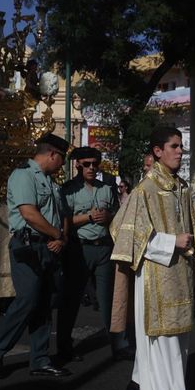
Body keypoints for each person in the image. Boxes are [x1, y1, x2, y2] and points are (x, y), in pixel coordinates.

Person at [110, 126, 195, 390]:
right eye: (174, 146)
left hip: (180, 273)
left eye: (181, 146)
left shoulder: (181, 187)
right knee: (166, 340)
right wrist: (171, 242)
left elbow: (191, 231)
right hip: (155, 275)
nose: (180, 151)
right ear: (157, 151)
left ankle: (138, 385)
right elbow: (127, 236)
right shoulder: (144, 190)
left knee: (170, 339)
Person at [0, 134, 72, 379]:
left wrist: (62, 238)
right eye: (62, 159)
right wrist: (57, 234)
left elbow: (64, 213)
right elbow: (29, 214)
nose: (62, 165)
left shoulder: (52, 182)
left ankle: (40, 359)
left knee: (44, 302)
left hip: (50, 248)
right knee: (28, 299)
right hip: (29, 247)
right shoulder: (23, 175)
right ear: (52, 154)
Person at [57, 146, 131, 364]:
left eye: (95, 164)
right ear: (78, 165)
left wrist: (109, 217)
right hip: (79, 248)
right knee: (71, 301)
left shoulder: (106, 188)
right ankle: (64, 348)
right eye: (87, 164)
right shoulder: (68, 190)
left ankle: (119, 345)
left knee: (109, 300)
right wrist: (88, 217)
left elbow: (117, 216)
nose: (91, 168)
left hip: (104, 248)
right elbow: (64, 221)